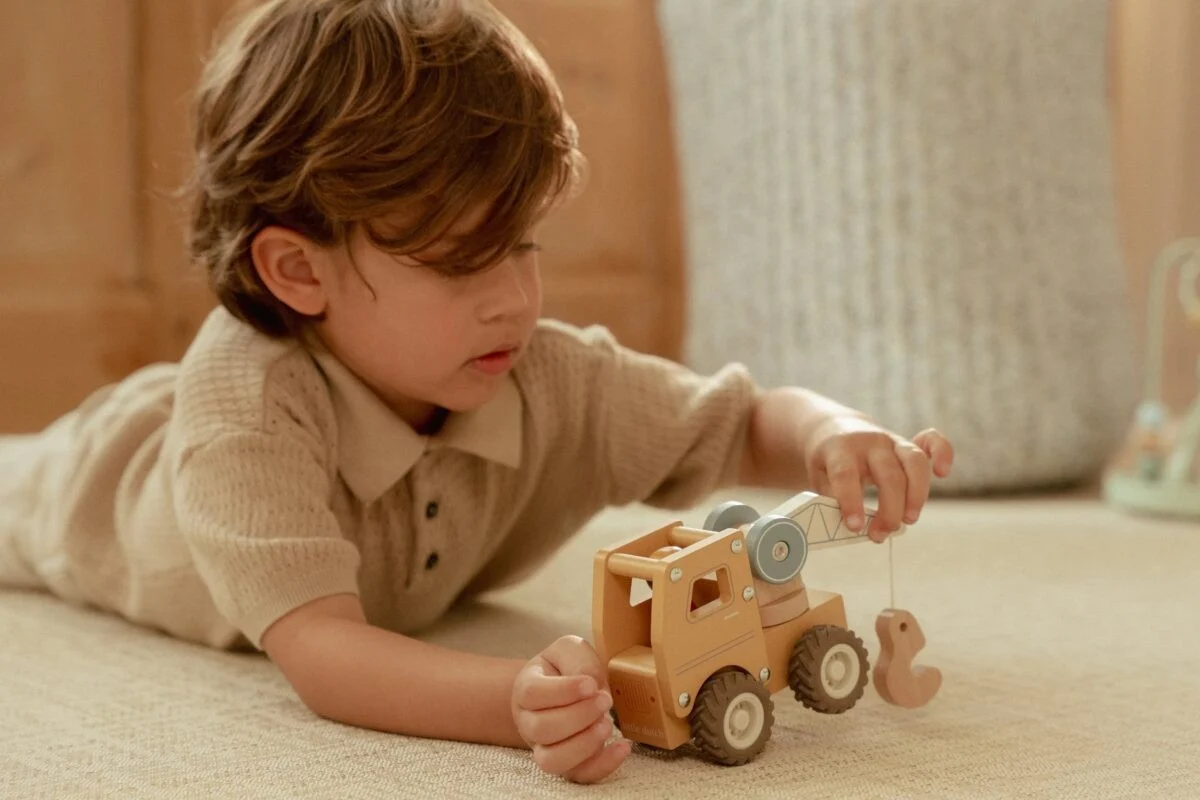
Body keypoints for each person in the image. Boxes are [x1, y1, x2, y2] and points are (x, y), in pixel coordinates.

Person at [0, 0, 954, 785]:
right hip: (85, 485)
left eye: (523, 244)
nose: (515, 299)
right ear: (298, 270)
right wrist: (510, 700)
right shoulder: (246, 415)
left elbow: (735, 424)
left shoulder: (546, 376)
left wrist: (834, 435)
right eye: (462, 262)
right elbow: (326, 653)